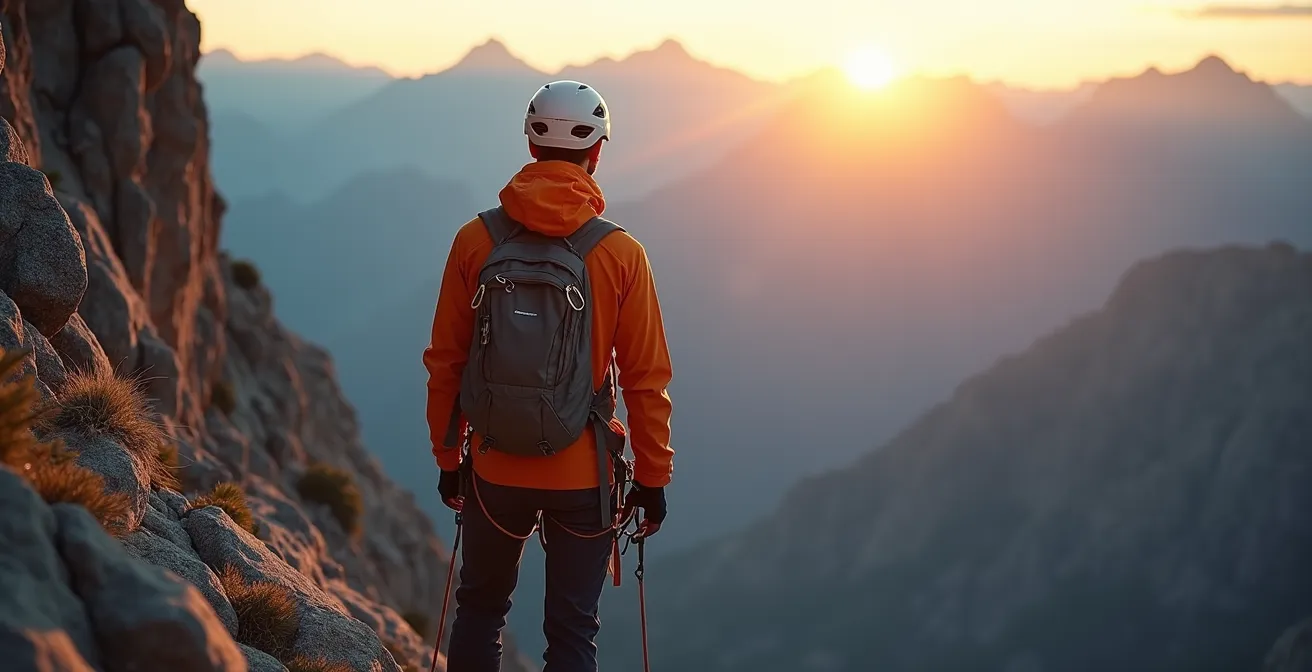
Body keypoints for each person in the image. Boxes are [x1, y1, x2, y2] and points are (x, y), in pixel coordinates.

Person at [422, 80, 675, 672]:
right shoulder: (620, 255)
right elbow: (645, 378)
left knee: (480, 609)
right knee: (571, 631)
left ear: (532, 149)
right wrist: (653, 476)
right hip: (583, 472)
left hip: (492, 461)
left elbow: (445, 360)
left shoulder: (475, 240)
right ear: (598, 152)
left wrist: (447, 455)